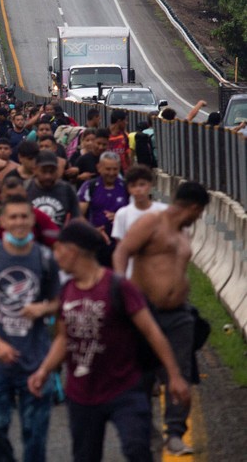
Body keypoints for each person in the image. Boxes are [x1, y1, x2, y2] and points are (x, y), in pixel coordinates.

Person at [29, 221, 190, 462]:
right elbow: (64, 337)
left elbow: (152, 331)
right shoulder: (67, 290)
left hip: (124, 389)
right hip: (82, 395)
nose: (55, 254)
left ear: (73, 251)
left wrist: (174, 376)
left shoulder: (119, 287)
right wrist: (43, 371)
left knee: (137, 448)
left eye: (58, 248)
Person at [112, 181, 209, 456]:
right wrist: (120, 288)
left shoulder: (182, 232)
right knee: (142, 375)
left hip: (179, 315)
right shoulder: (152, 222)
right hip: (146, 310)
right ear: (194, 207)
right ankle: (146, 429)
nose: (198, 218)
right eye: (199, 212)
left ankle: (175, 433)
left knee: (180, 372)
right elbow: (122, 251)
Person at [0, 194, 60, 462]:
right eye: (13, 217)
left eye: (24, 216)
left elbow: (60, 302)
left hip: (36, 361)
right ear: (2, 221)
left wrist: (43, 309)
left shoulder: (46, 258)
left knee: (35, 436)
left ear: (32, 220)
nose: (19, 222)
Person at [111, 165, 167, 278]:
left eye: (142, 185)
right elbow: (120, 248)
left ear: (150, 185)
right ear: (128, 189)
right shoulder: (122, 214)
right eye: (133, 186)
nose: (138, 190)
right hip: (132, 274)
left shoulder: (163, 211)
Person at [26, 150, 80, 228]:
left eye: (52, 171)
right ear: (35, 170)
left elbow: (77, 218)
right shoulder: (25, 188)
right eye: (44, 171)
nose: (48, 176)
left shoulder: (67, 190)